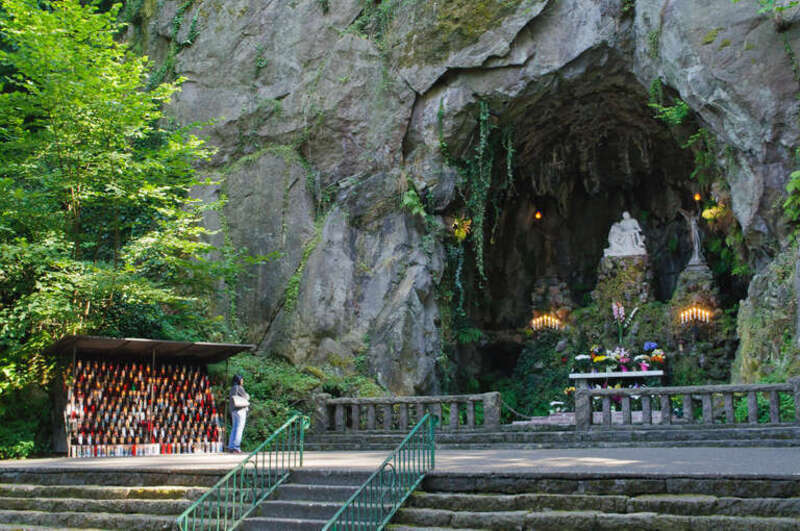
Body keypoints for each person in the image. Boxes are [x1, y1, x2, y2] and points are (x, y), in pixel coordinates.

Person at [227, 374, 249, 453]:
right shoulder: (240, 388)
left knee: (234, 428)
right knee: (239, 428)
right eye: (241, 380)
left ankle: (231, 446)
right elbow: (246, 397)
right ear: (238, 380)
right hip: (240, 410)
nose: (242, 381)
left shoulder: (232, 388)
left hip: (233, 410)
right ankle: (236, 447)